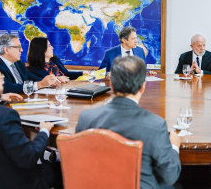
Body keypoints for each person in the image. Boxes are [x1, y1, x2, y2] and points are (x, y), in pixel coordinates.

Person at [76, 56, 181, 188]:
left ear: (112, 85)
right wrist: (174, 147)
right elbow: (170, 176)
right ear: (143, 87)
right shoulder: (155, 124)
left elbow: (79, 163)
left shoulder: (86, 117)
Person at [0, 62, 62, 189]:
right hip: (20, 182)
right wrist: (44, 131)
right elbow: (28, 158)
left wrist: (1, 96)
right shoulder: (5, 116)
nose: (3, 81)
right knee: (64, 168)